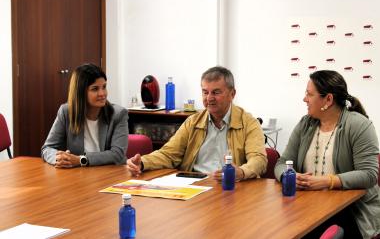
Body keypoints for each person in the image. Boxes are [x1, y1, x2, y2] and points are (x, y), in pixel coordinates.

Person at [274, 70, 380, 239]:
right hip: (307, 207)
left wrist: (327, 181)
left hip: (350, 211)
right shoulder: (305, 124)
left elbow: (369, 175)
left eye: (309, 94)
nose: (304, 99)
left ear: (328, 99)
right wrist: (289, 177)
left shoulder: (359, 125)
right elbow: (282, 162)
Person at [127, 66, 267, 181]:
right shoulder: (193, 122)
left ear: (232, 94)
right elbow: (169, 154)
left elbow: (259, 159)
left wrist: (241, 172)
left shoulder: (249, 123)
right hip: (196, 186)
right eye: (205, 92)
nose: (209, 98)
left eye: (216, 92)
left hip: (231, 187)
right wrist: (143, 163)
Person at [41, 63, 128, 168]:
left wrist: (81, 160)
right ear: (80, 92)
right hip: (78, 175)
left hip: (110, 174)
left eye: (104, 87)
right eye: (95, 89)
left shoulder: (118, 114)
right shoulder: (66, 112)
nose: (102, 93)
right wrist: (59, 158)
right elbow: (47, 148)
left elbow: (117, 154)